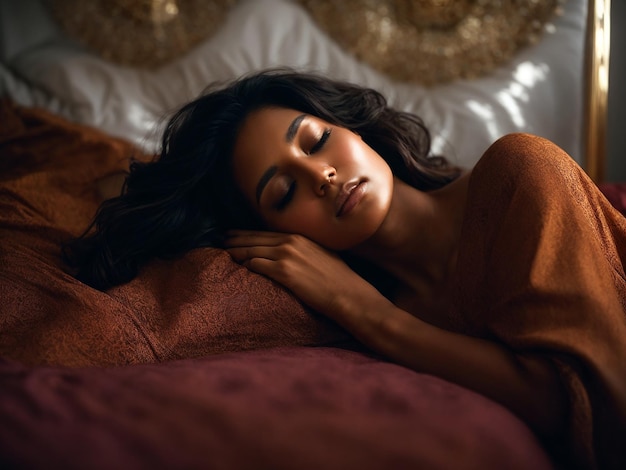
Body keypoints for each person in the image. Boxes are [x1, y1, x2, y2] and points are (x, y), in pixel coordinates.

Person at [65, 69, 626, 469]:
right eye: (284, 190)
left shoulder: (518, 170)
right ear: (280, 234)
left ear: (352, 127)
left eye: (316, 140)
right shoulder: (333, 304)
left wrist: (364, 311)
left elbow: (590, 408)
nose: (322, 177)